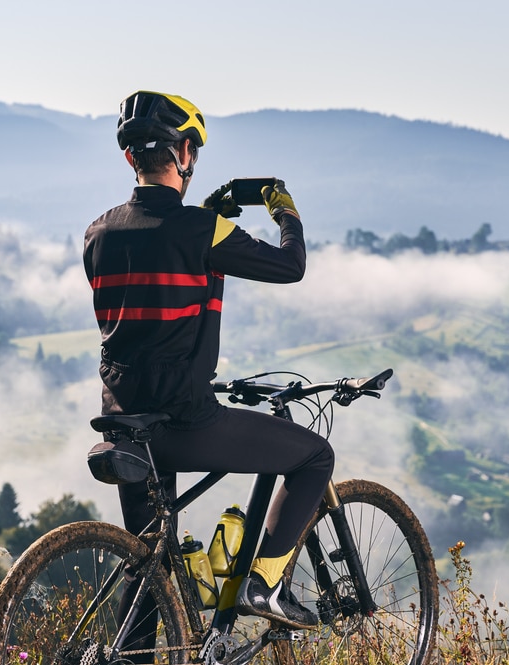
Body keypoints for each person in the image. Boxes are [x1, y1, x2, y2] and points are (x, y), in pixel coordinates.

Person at [83, 90, 334, 631]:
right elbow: (290, 266)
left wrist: (206, 221)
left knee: (150, 571)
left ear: (131, 157)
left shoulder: (97, 233)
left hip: (123, 425)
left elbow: (149, 299)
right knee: (315, 457)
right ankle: (265, 585)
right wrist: (281, 205)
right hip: (183, 422)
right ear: (186, 155)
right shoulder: (203, 230)